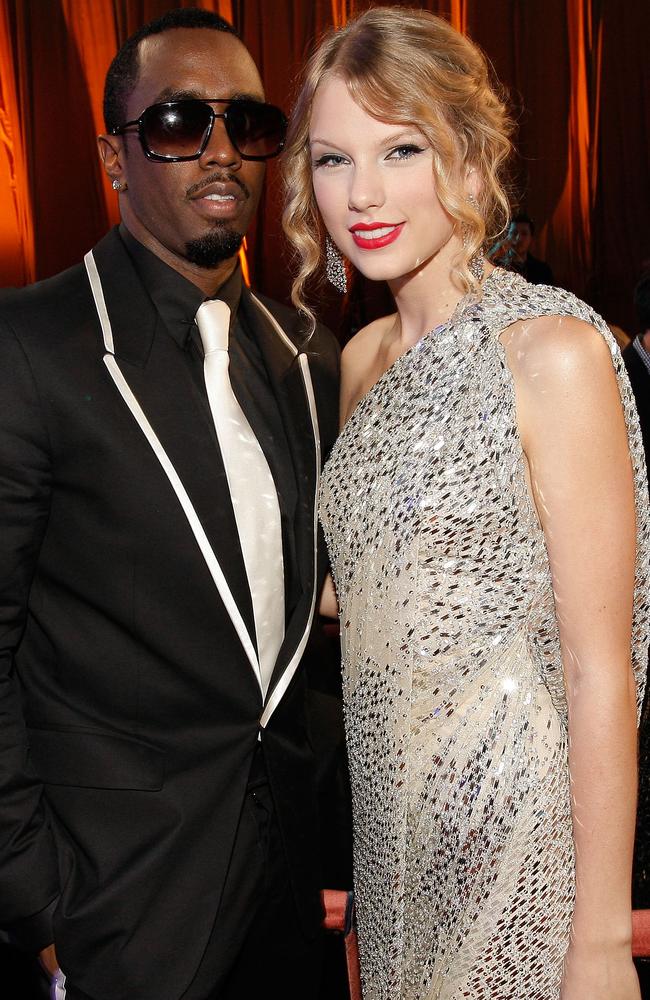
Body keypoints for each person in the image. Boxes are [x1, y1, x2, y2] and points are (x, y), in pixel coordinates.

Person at [282, 7, 650, 999]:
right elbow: (376, 589)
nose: (360, 194)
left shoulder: (552, 353)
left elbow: (596, 668)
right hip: (392, 841)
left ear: (468, 153)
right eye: (331, 159)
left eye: (399, 149)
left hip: (516, 830)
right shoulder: (357, 361)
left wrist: (601, 939)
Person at [0, 8, 340, 1000]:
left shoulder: (305, 352)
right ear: (115, 158)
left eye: (248, 123)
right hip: (118, 907)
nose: (221, 151)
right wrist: (40, 906)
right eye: (180, 123)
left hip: (287, 901)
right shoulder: (29, 348)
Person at [488, 211, 555, 284]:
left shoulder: (542, 270)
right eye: (514, 233)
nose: (518, 238)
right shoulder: (496, 265)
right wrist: (493, 253)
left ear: (531, 238)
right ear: (507, 236)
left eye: (524, 234)